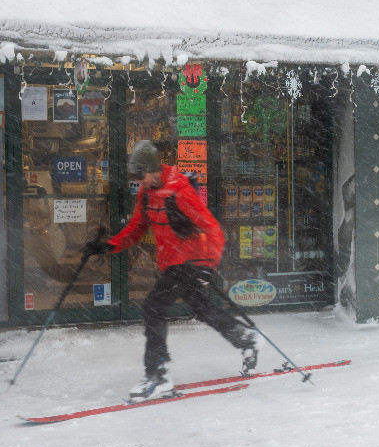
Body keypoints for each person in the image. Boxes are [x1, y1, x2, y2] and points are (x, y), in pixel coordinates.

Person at [84, 140, 260, 402]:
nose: (139, 181)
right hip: (172, 263)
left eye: (141, 175)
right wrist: (107, 246)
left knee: (152, 308)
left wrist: (207, 268)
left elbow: (213, 229)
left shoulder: (179, 191)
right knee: (202, 310)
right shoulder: (146, 193)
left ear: (153, 169)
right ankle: (245, 338)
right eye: (136, 177)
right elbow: (136, 229)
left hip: (190, 263)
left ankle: (158, 375)